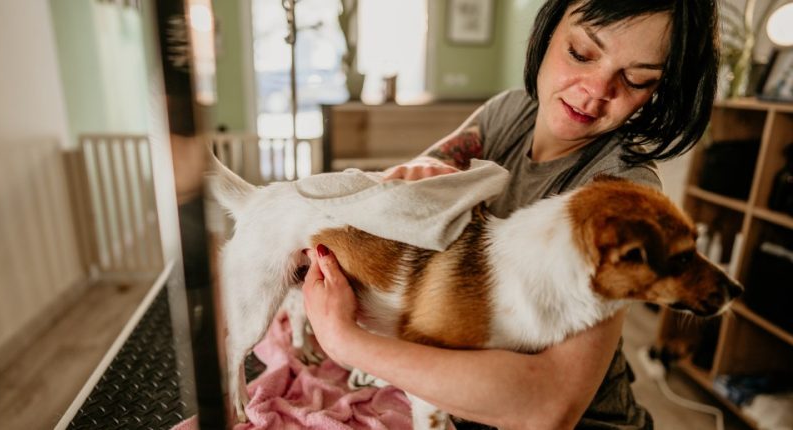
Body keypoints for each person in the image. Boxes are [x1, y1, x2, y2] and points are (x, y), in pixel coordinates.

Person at [302, 0, 719, 428]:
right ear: (548, 31)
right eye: (580, 53)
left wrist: (345, 342)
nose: (596, 90)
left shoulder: (622, 199)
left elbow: (549, 407)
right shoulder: (510, 112)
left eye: (635, 80)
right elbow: (398, 193)